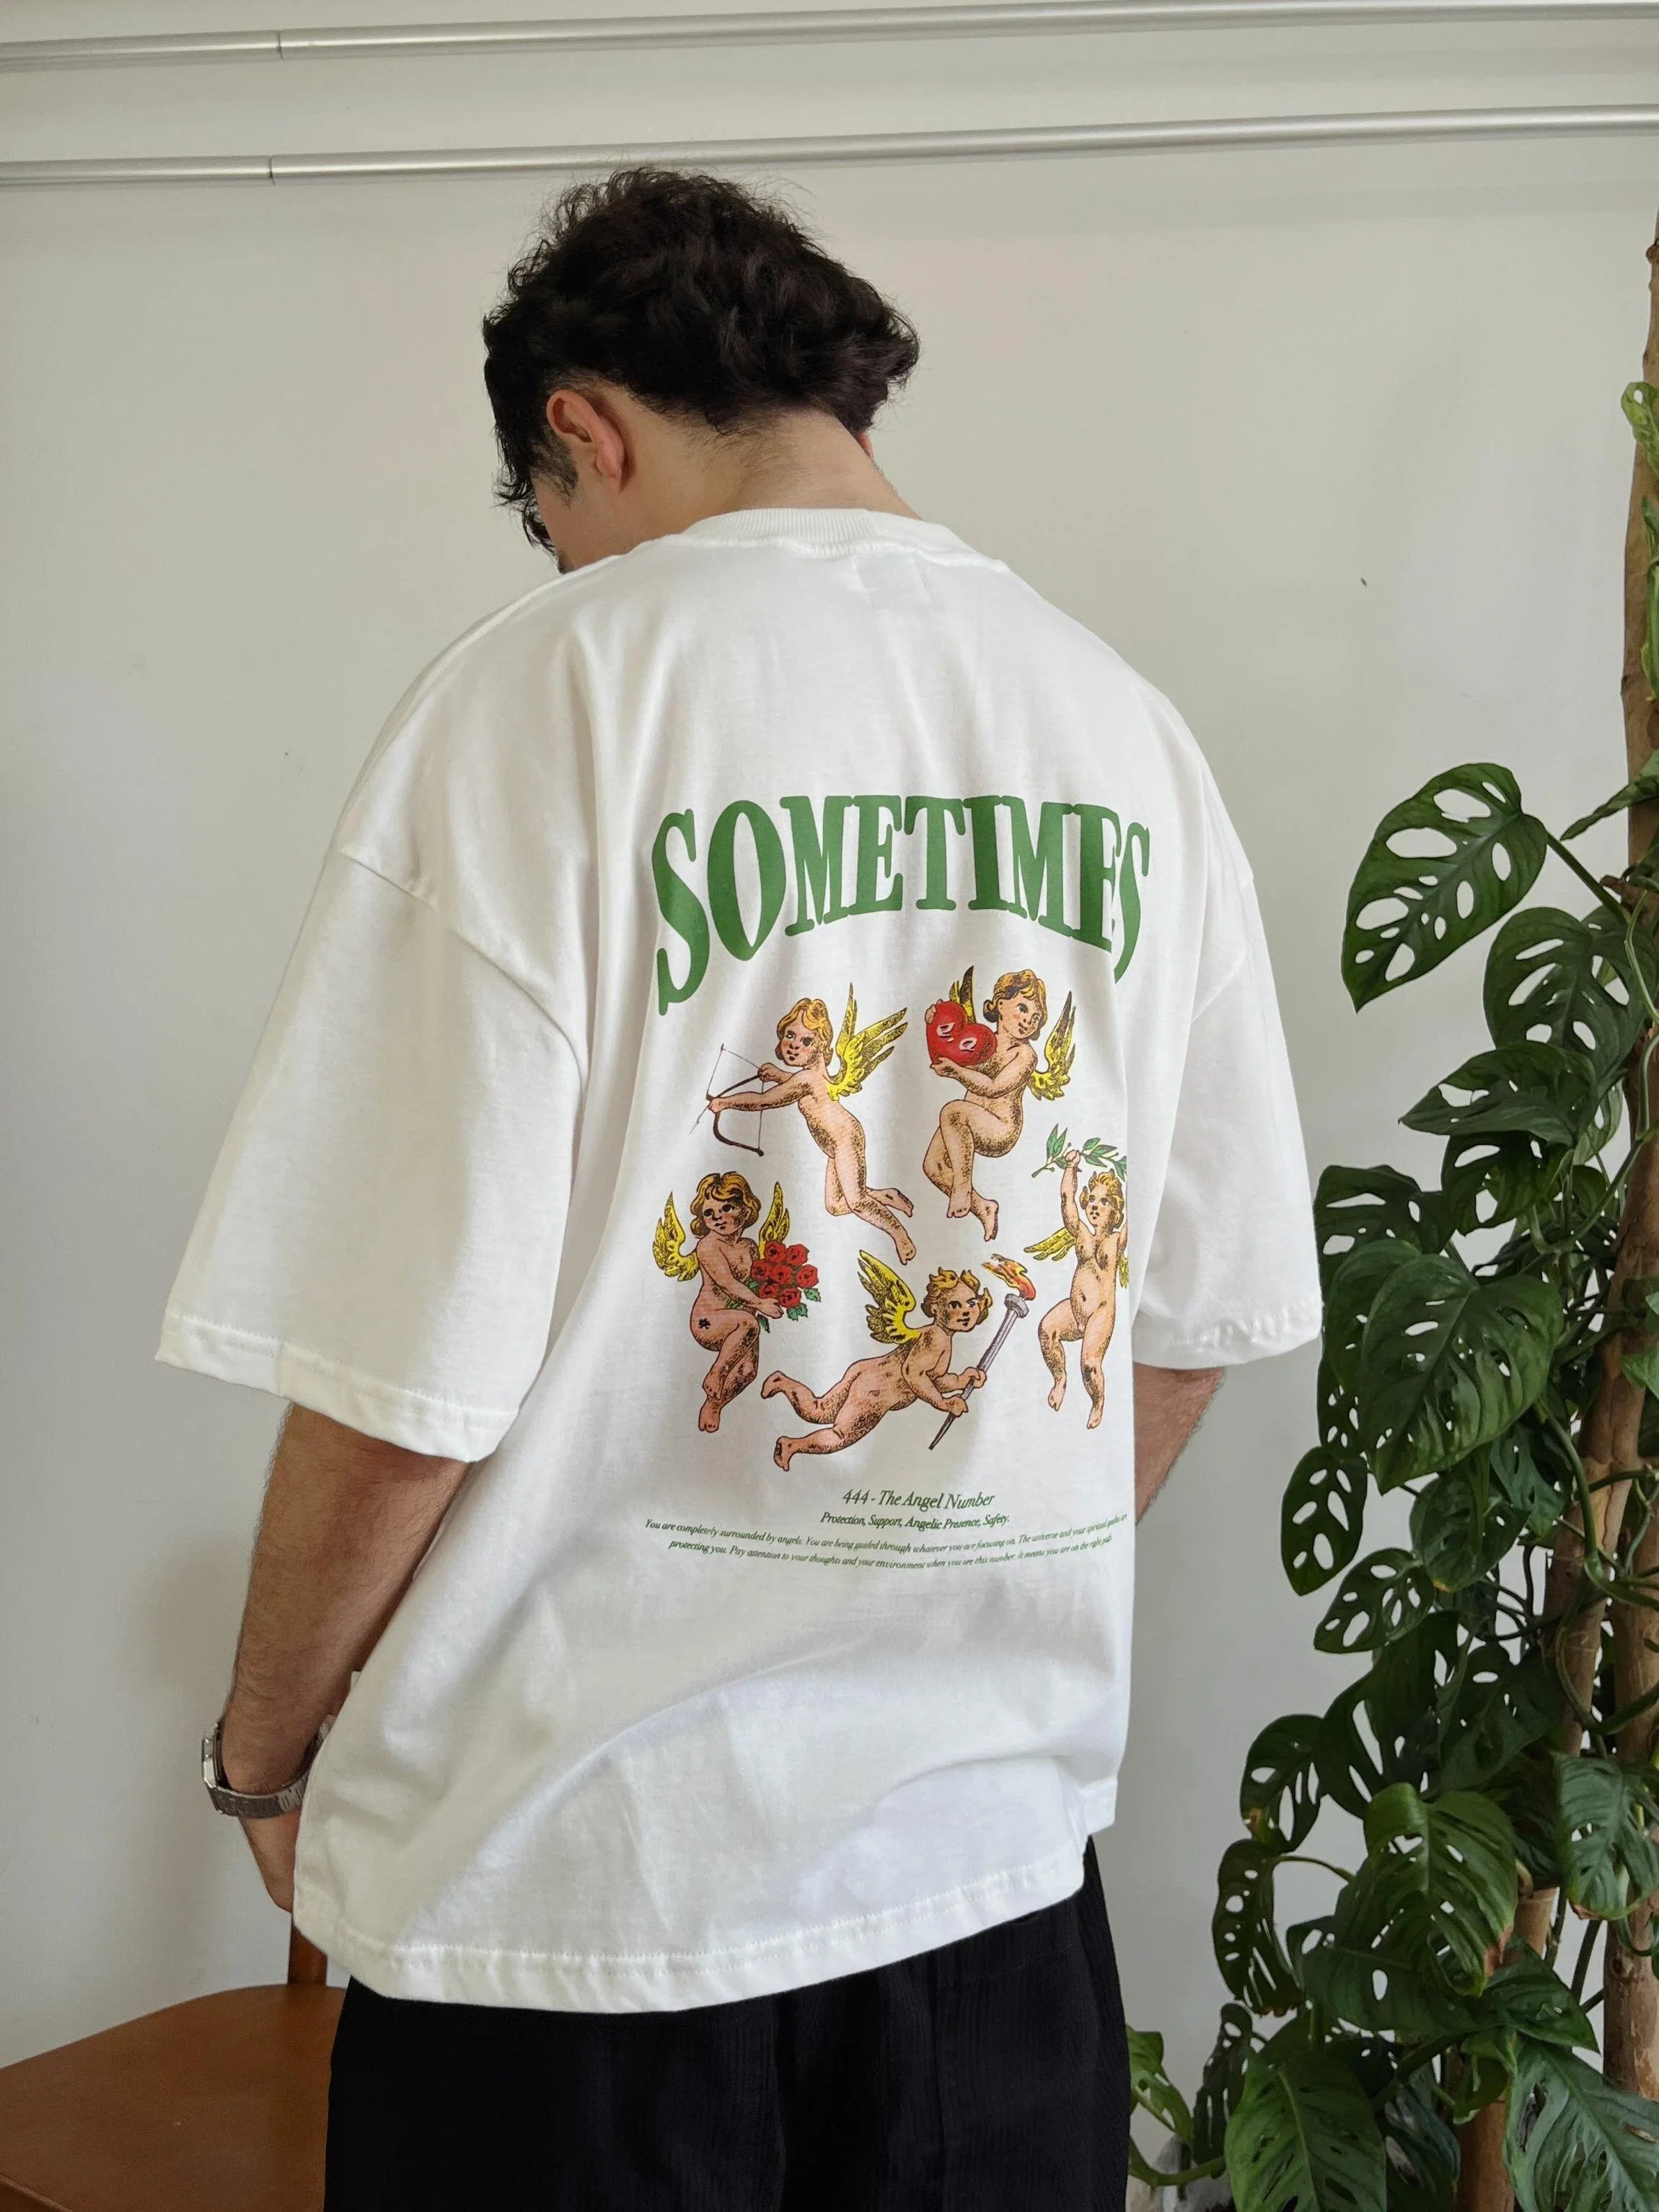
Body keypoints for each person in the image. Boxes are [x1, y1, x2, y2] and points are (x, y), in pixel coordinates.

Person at [163, 167, 1321, 2210]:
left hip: (575, 1922)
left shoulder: (550, 695)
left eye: (553, 519)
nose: (569, 564)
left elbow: (398, 1371)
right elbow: (1187, 1321)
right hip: (992, 1909)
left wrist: (264, 1754)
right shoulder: (1124, 729)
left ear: (583, 432)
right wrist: (922, 1547)